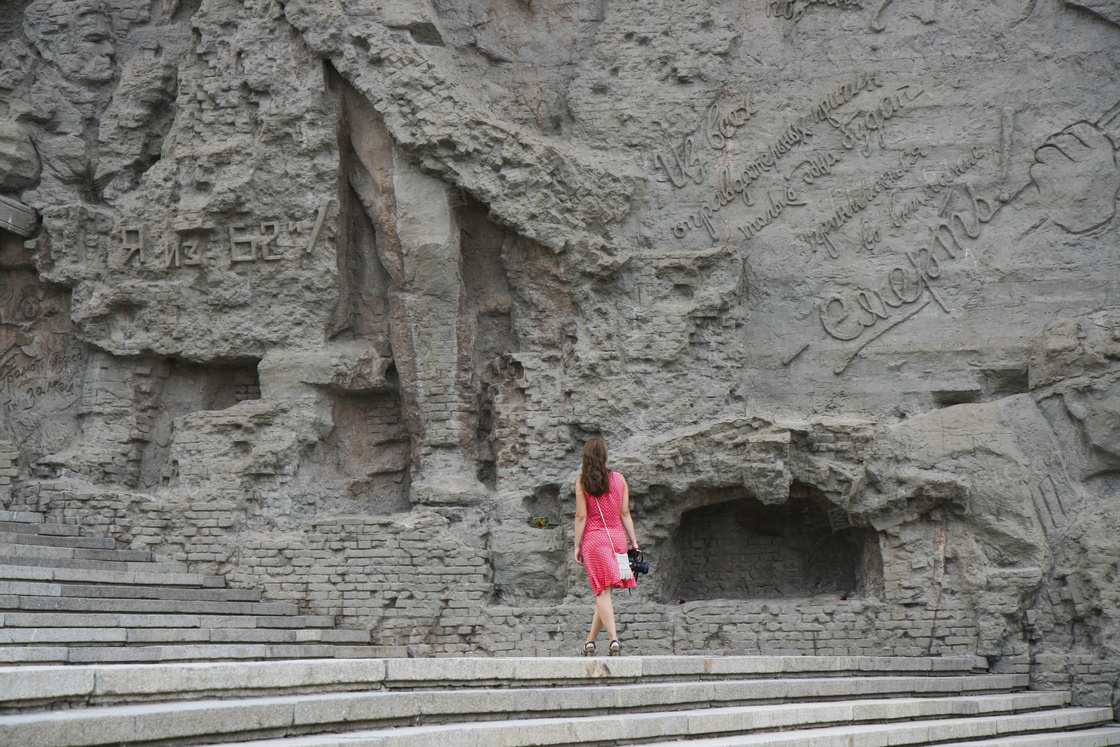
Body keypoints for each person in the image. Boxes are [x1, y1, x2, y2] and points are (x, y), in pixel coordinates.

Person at [573, 437, 639, 656]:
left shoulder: (583, 482)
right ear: (605, 455)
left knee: (602, 593)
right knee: (605, 594)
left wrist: (576, 545)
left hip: (595, 540)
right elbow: (625, 513)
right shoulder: (619, 479)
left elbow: (582, 516)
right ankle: (590, 642)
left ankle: (613, 640)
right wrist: (633, 541)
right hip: (617, 539)